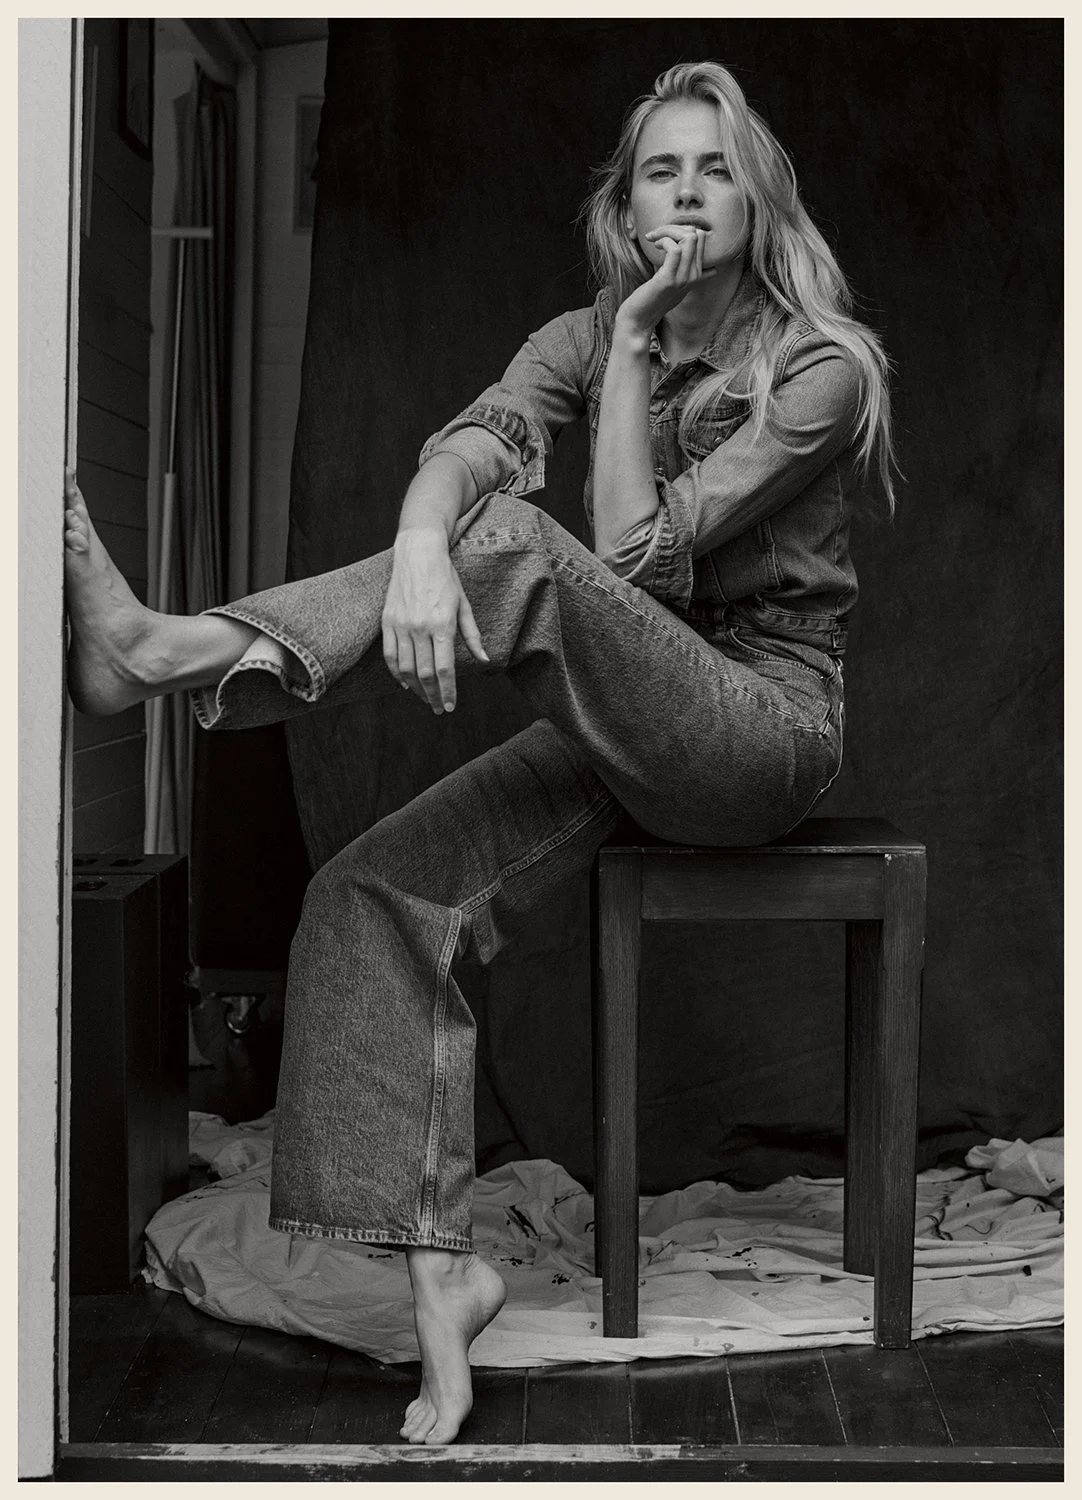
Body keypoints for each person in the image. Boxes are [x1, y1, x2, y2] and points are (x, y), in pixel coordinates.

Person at [64, 61, 895, 1445]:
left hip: (759, 734)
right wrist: (415, 547)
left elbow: (630, 560)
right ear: (621, 202)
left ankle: (166, 655)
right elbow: (477, 444)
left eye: (714, 170)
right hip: (626, 722)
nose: (685, 194)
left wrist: (629, 355)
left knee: (519, 549)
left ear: (758, 197)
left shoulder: (821, 366)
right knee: (367, 892)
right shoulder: (574, 331)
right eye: (657, 172)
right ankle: (437, 1278)